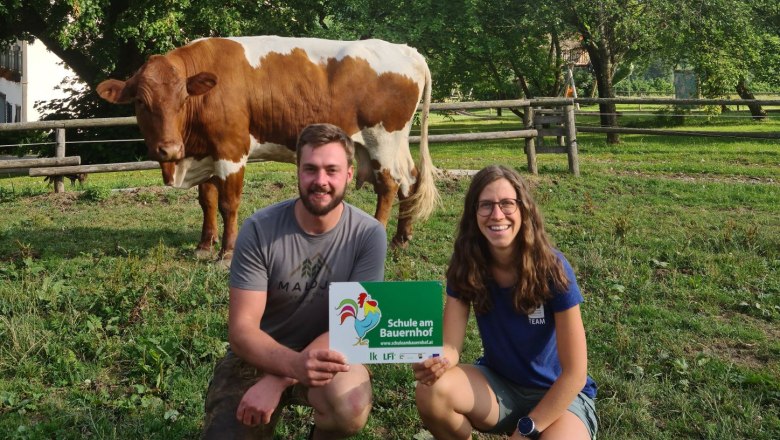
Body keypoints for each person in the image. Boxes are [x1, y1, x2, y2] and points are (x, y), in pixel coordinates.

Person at [202, 123, 388, 440]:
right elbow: (242, 330)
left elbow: (354, 327)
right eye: (310, 169)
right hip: (262, 354)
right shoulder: (259, 229)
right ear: (298, 171)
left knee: (351, 404)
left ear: (349, 175)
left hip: (334, 354)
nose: (321, 181)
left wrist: (280, 379)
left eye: (332, 170)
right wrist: (290, 366)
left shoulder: (369, 234)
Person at [413, 165, 597, 440]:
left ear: (523, 209)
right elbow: (450, 346)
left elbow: (574, 374)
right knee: (432, 391)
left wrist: (526, 430)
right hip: (499, 386)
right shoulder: (467, 265)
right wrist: (437, 361)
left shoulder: (553, 268)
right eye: (486, 205)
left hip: (559, 394)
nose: (497, 215)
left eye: (507, 203)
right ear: (474, 213)